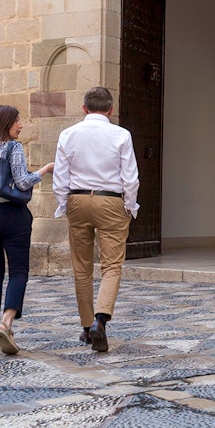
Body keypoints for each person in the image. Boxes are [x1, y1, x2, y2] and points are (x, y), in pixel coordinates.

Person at [52, 86, 139, 352]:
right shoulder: (121, 134)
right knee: (112, 266)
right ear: (111, 109)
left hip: (78, 199)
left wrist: (64, 204)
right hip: (110, 199)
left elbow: (60, 177)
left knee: (82, 267)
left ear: (84, 108)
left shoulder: (68, 134)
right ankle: (100, 321)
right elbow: (130, 177)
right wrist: (129, 206)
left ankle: (86, 326)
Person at [0, 105, 53, 355]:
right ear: (6, 123)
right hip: (10, 214)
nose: (21, 125)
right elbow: (22, 181)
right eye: (17, 121)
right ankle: (7, 322)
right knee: (18, 272)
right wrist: (45, 170)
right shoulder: (13, 147)